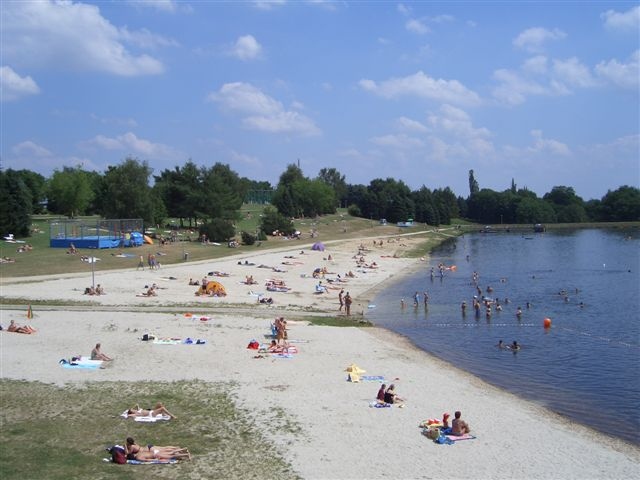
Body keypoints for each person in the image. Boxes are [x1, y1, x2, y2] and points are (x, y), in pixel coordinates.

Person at [125, 437, 190, 461]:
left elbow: (128, 453)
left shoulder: (136, 454)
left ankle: (184, 453)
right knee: (166, 449)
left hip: (154, 453)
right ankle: (181, 449)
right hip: (150, 449)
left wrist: (125, 447)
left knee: (171, 454)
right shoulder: (135, 445)